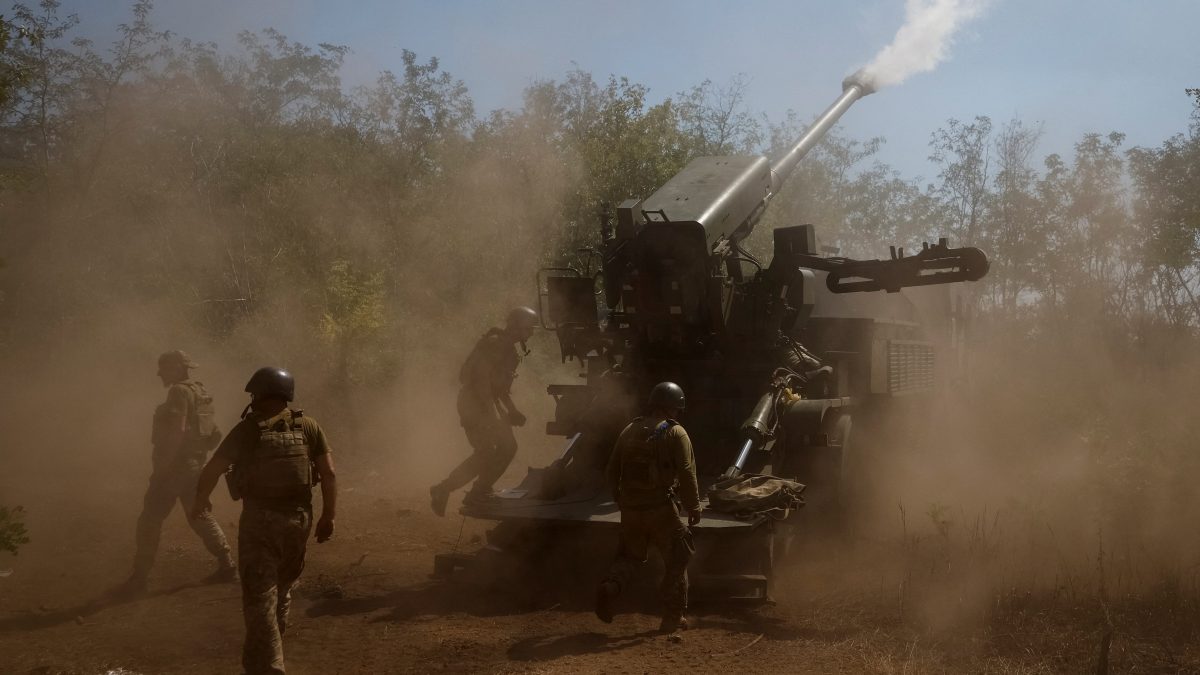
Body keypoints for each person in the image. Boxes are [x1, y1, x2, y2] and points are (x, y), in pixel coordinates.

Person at [192, 367, 338, 675]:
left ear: (260, 394)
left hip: (260, 523)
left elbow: (213, 468)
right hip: (299, 521)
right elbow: (329, 474)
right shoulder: (308, 426)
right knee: (281, 590)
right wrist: (328, 517)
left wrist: (200, 499)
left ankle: (272, 667)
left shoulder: (248, 430)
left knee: (260, 599)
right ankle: (258, 664)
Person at [121, 350, 236, 594]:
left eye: (163, 367)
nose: (159, 373)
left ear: (176, 368)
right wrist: (197, 455)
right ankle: (227, 564)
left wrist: (165, 467)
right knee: (200, 515)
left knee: (150, 519)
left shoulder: (178, 392)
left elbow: (177, 431)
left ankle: (140, 578)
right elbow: (214, 434)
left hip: (175, 468)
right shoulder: (200, 391)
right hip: (193, 467)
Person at [595, 381, 702, 633]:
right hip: (661, 509)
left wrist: (621, 499)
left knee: (630, 556)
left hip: (631, 509)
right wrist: (693, 506)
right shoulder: (676, 432)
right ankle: (673, 617)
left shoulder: (630, 429)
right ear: (674, 407)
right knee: (678, 558)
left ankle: (611, 587)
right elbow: (687, 472)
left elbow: (611, 469)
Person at [429, 306, 537, 516]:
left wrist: (513, 411)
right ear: (515, 326)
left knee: (508, 447)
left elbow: (500, 388)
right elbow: (481, 380)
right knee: (486, 451)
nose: (531, 333)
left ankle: (479, 490)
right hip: (473, 402)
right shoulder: (495, 344)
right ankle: (443, 489)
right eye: (528, 328)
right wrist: (491, 412)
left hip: (487, 403)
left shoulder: (509, 350)